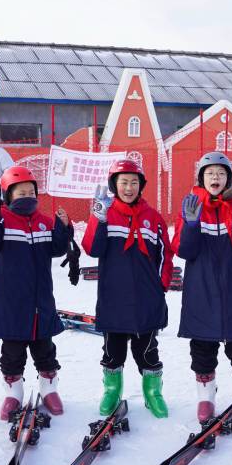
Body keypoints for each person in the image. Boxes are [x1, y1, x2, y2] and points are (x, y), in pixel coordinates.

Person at [172, 152, 232, 423]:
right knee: (202, 346)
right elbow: (183, 250)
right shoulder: (192, 206)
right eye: (210, 173)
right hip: (201, 289)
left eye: (221, 173)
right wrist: (191, 225)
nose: (215, 177)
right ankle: (205, 395)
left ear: (228, 178)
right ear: (201, 178)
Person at [0, 166, 71, 421]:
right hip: (12, 304)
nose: (27, 197)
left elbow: (57, 249)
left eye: (31, 192)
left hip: (41, 303)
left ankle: (49, 390)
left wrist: (63, 228)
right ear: (7, 196)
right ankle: (13, 393)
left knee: (45, 351)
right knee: (12, 354)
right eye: (20, 193)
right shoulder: (0, 221)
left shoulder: (43, 221)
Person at [84, 159, 174, 418]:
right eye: (123, 182)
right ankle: (112, 390)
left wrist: (161, 285)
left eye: (134, 182)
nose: (129, 187)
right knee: (113, 351)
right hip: (114, 297)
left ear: (141, 186)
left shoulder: (153, 217)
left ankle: (153, 392)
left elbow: (165, 254)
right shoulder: (106, 214)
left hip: (147, 298)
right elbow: (92, 248)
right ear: (114, 185)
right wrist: (98, 219)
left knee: (148, 350)